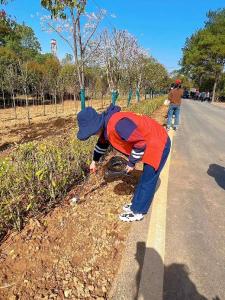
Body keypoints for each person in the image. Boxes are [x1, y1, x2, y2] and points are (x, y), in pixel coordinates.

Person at [77, 104, 171, 222]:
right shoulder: (105, 126)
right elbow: (101, 144)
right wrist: (94, 161)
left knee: (148, 179)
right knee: (144, 178)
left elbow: (140, 142)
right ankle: (135, 205)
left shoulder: (118, 125)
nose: (92, 135)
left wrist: (131, 163)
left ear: (96, 126)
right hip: (150, 141)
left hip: (158, 142)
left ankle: (138, 211)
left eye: (91, 132)